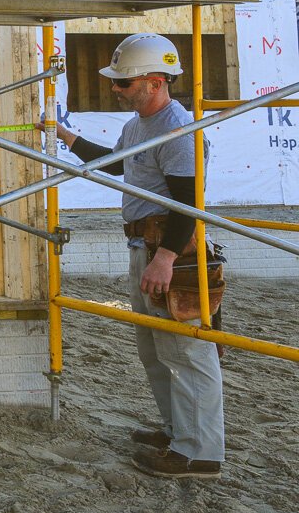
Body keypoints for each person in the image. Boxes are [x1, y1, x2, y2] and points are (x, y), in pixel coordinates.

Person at [56, 32, 223, 479]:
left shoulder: (177, 130)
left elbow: (189, 205)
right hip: (145, 245)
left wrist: (166, 257)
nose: (116, 89)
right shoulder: (138, 126)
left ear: (154, 82)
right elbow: (118, 164)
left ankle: (199, 453)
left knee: (186, 353)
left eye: (123, 84)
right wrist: (66, 137)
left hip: (170, 249)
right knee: (156, 349)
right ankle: (176, 432)